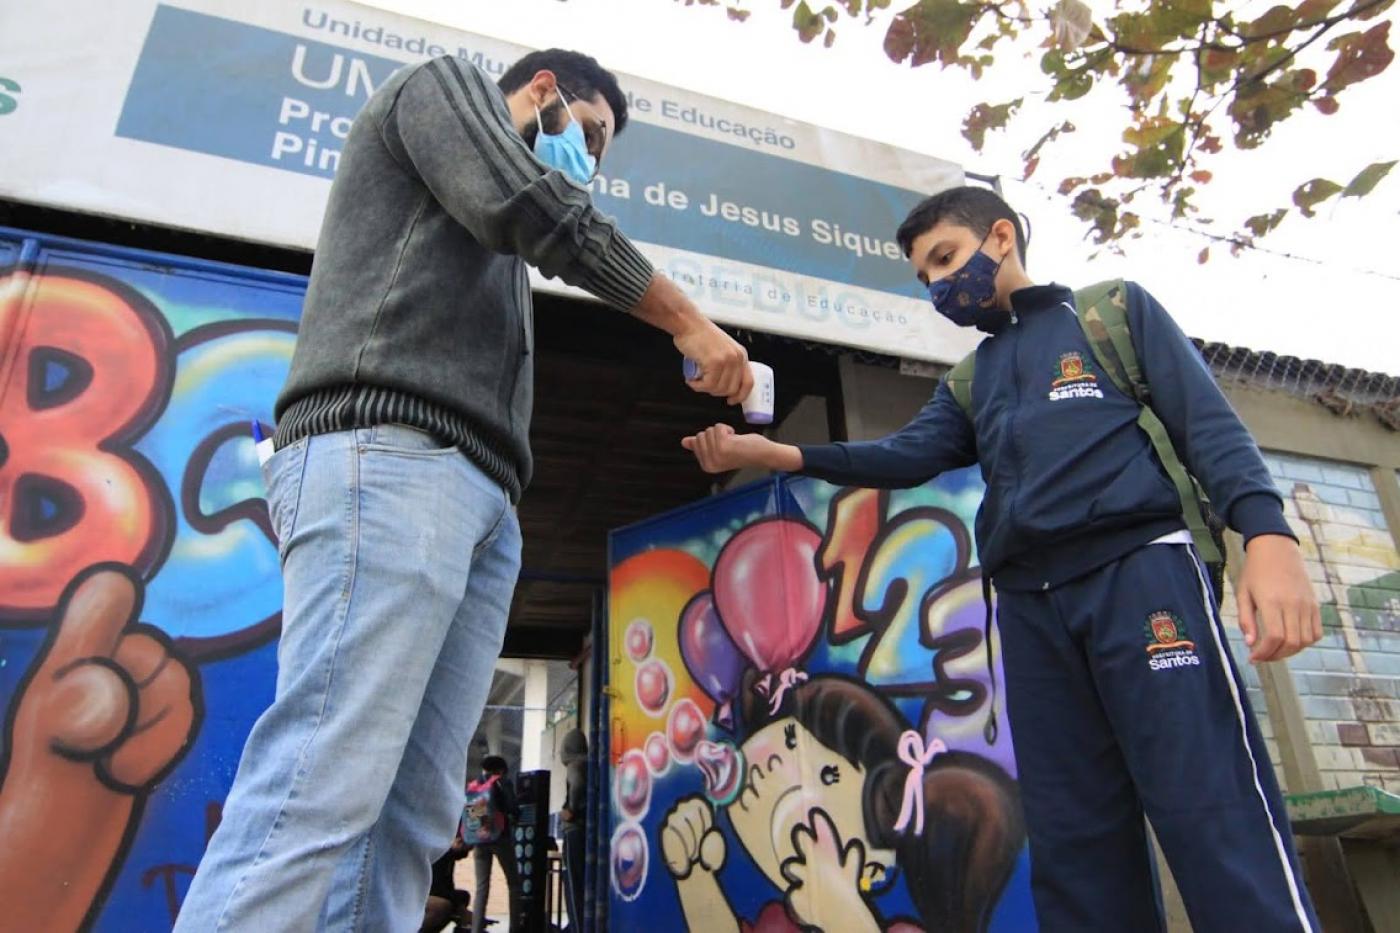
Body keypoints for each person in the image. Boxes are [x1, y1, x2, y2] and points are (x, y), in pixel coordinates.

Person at [176, 47, 751, 932]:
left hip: (478, 495)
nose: (588, 166)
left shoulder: (494, 256)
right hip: (390, 454)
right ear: (544, 94)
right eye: (587, 135)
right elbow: (537, 204)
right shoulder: (441, 90)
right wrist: (688, 320)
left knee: (412, 808)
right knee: (324, 774)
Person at [681, 185, 1323, 932]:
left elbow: (1208, 427)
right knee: (1073, 835)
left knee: (1208, 800)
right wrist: (781, 452)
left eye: (946, 259)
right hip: (1028, 606)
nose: (940, 287)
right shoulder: (972, 379)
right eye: (925, 279)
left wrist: (1267, 536)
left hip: (1140, 573)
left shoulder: (1110, 312)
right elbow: (905, 455)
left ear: (1002, 237)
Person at [661, 672, 1023, 933]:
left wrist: (849, 919)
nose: (773, 766)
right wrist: (694, 877)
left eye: (828, 775)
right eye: (790, 737)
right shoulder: (778, 921)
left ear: (875, 869)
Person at [469, 756, 519, 933]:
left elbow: (472, 817)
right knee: (514, 883)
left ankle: (476, 929)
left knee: (482, 887)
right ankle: (514, 928)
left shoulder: (475, 785)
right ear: (501, 770)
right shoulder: (500, 783)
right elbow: (513, 807)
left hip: (479, 841)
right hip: (500, 839)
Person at [558, 729, 588, 930]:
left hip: (574, 829)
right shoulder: (591, 764)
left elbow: (576, 785)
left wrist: (570, 809)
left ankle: (576, 926)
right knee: (584, 881)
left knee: (572, 882)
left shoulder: (575, 765)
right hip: (586, 830)